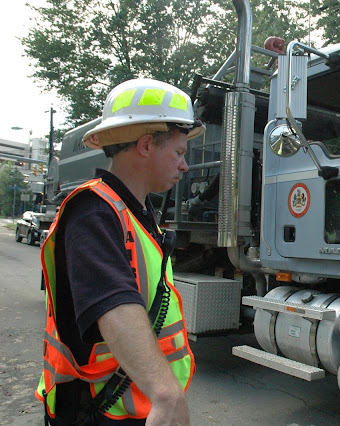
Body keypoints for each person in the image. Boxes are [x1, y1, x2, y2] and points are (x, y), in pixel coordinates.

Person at [36, 78, 204, 425]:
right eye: (179, 152)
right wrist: (166, 395)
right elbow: (113, 305)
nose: (184, 166)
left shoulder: (135, 212)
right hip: (95, 410)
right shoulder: (93, 211)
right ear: (145, 145)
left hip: (122, 406)